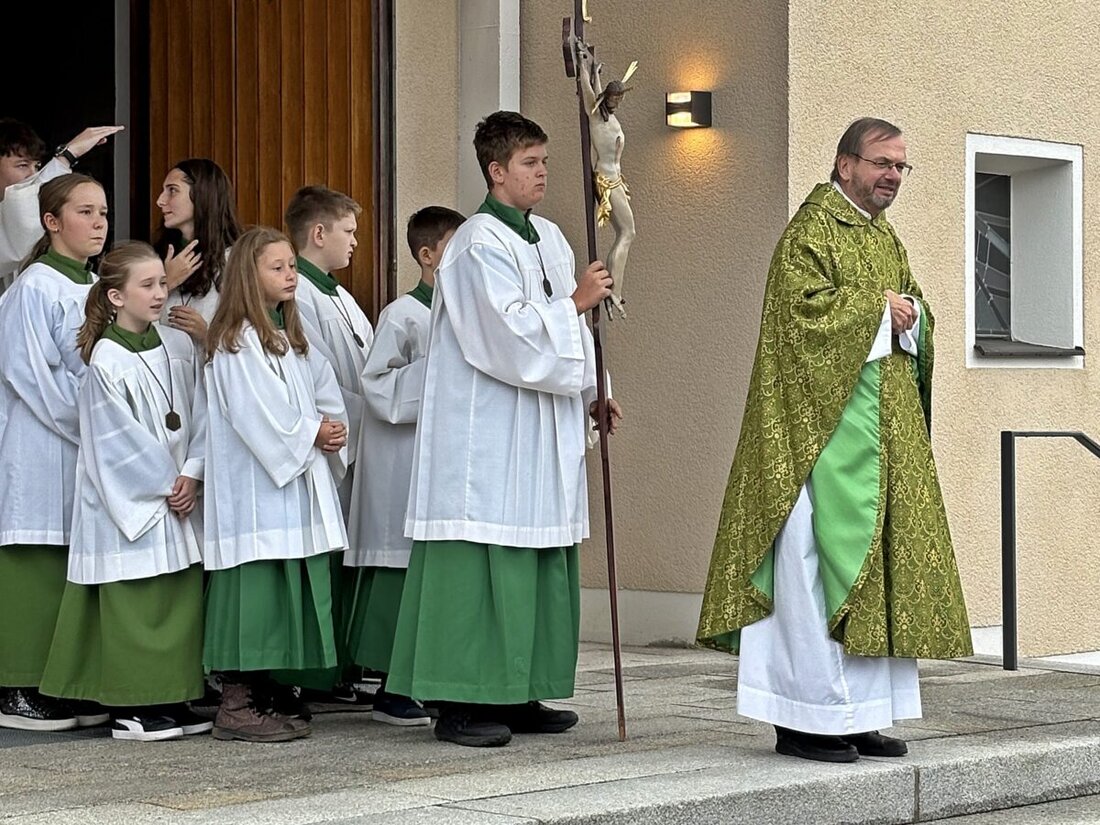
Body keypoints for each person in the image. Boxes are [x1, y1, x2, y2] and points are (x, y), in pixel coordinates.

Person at [696, 117, 973, 763]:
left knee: (874, 576)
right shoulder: (811, 230)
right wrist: (879, 309)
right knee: (809, 572)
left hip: (881, 440)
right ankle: (801, 718)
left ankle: (859, 714)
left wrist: (910, 315)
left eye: (902, 166)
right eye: (882, 163)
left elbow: (915, 311)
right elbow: (801, 316)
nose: (892, 176)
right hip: (816, 440)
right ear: (845, 164)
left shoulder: (884, 237)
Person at [386, 111, 622, 748]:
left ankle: (518, 689)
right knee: (481, 560)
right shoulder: (474, 245)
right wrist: (573, 302)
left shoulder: (550, 236)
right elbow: (503, 336)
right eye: (529, 163)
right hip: (485, 434)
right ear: (496, 171)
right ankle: (458, 701)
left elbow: (578, 329)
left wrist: (595, 389)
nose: (542, 173)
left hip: (541, 428)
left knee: (538, 553)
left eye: (545, 161)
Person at [38, 242, 210, 742]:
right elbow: (114, 441)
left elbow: (200, 410)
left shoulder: (175, 346)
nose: (160, 294)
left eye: (162, 283)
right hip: (133, 500)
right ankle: (133, 706)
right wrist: (166, 483)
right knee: (136, 604)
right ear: (115, 296)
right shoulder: (106, 360)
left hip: (179, 491)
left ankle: (171, 696)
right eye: (148, 285)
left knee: (175, 601)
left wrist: (193, 472)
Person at [201, 226, 349, 743]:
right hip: (255, 494)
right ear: (249, 274)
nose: (291, 275)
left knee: (278, 592)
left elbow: (309, 398)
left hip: (286, 486)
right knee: (255, 594)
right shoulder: (236, 342)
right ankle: (237, 702)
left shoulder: (282, 340)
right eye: (278, 267)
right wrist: (312, 432)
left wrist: (326, 430)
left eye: (292, 266)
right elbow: (256, 416)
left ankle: (262, 691)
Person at [344, 205, 464, 727]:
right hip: (402, 462)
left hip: (443, 462)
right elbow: (379, 386)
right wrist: (439, 375)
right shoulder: (403, 315)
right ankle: (392, 687)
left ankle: (425, 678)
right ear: (428, 254)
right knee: (398, 569)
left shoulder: (467, 311)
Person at [0, 174, 110, 731]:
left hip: (84, 446)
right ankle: (17, 685)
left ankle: (60, 681)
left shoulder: (94, 286)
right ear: (51, 221)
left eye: (103, 213)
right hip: (42, 443)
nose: (98, 223)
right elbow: (32, 377)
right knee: (35, 563)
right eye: (85, 212)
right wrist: (95, 420)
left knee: (69, 561)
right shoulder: (34, 288)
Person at [280, 185, 374, 707]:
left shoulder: (339, 295)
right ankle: (316, 675)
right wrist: (365, 419)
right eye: (349, 231)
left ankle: (339, 667)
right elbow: (317, 380)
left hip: (353, 436)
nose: (356, 242)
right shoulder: (301, 295)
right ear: (318, 233)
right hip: (326, 442)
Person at [0, 121, 123, 291]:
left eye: (37, 166)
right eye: (22, 165)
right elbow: (20, 227)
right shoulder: (34, 282)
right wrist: (67, 156)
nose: (33, 174)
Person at [575, 42, 634, 319]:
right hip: (606, 180)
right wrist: (582, 66)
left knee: (628, 233)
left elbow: (596, 91)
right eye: (615, 97)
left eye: (620, 97)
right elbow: (589, 94)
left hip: (615, 178)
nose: (617, 101)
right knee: (626, 232)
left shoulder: (608, 117)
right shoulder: (597, 115)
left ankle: (614, 290)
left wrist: (594, 68)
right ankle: (614, 291)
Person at [154, 158, 241, 344]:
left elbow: (255, 339)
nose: (160, 201)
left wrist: (208, 335)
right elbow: (130, 323)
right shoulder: (154, 258)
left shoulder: (238, 261)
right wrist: (165, 283)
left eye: (172, 191)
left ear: (202, 195)